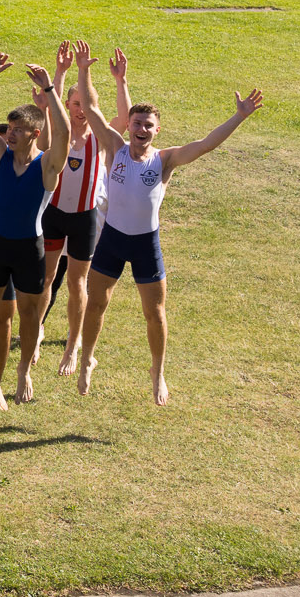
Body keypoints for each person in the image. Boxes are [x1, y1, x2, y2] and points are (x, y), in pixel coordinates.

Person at [73, 58, 264, 405]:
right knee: (97, 303)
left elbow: (205, 144)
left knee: (155, 313)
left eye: (148, 125)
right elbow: (90, 108)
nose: (141, 129)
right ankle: (87, 358)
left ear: (156, 131)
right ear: (128, 126)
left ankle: (157, 371)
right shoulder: (114, 149)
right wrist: (84, 70)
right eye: (137, 123)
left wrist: (239, 116)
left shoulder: (165, 160)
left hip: (146, 244)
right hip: (112, 240)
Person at [0, 51, 70, 409]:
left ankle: (23, 369)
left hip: (29, 249)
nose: (10, 134)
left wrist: (50, 90)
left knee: (28, 314)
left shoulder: (48, 164)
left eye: (18, 130)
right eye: (9, 128)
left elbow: (66, 133)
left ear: (35, 134)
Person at [43, 40, 108, 377]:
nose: (80, 110)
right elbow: (50, 105)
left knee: (76, 283)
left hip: (84, 220)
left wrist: (84, 73)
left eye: (84, 104)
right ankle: (36, 329)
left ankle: (73, 344)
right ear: (66, 105)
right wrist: (60, 72)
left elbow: (98, 106)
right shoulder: (58, 131)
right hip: (52, 216)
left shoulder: (100, 136)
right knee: (46, 277)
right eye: (74, 104)